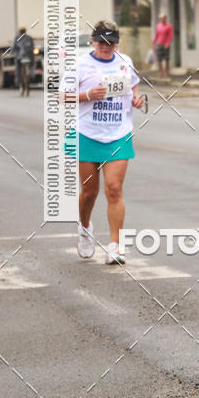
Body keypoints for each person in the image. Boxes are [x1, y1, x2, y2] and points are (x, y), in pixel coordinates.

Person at [62, 20, 143, 264]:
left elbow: (134, 87)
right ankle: (84, 228)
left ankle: (115, 246)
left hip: (118, 134)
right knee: (89, 192)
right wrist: (87, 95)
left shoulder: (124, 61)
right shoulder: (80, 64)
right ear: (93, 41)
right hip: (87, 134)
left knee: (114, 188)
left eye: (111, 42)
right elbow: (61, 96)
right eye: (101, 42)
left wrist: (137, 99)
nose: (106, 46)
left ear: (117, 42)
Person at [13, 27, 35, 95]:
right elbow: (32, 48)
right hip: (29, 58)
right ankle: (31, 75)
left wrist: (13, 52)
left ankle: (20, 82)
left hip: (20, 58)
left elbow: (14, 48)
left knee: (18, 71)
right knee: (32, 66)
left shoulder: (17, 38)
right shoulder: (29, 38)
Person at [152, 12, 174, 78]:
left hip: (165, 45)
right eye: (160, 18)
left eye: (163, 18)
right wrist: (154, 42)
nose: (161, 19)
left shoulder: (169, 26)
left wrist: (168, 43)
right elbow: (157, 35)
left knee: (167, 59)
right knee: (159, 60)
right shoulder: (158, 26)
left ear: (165, 18)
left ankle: (167, 73)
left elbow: (170, 36)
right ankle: (160, 73)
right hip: (159, 44)